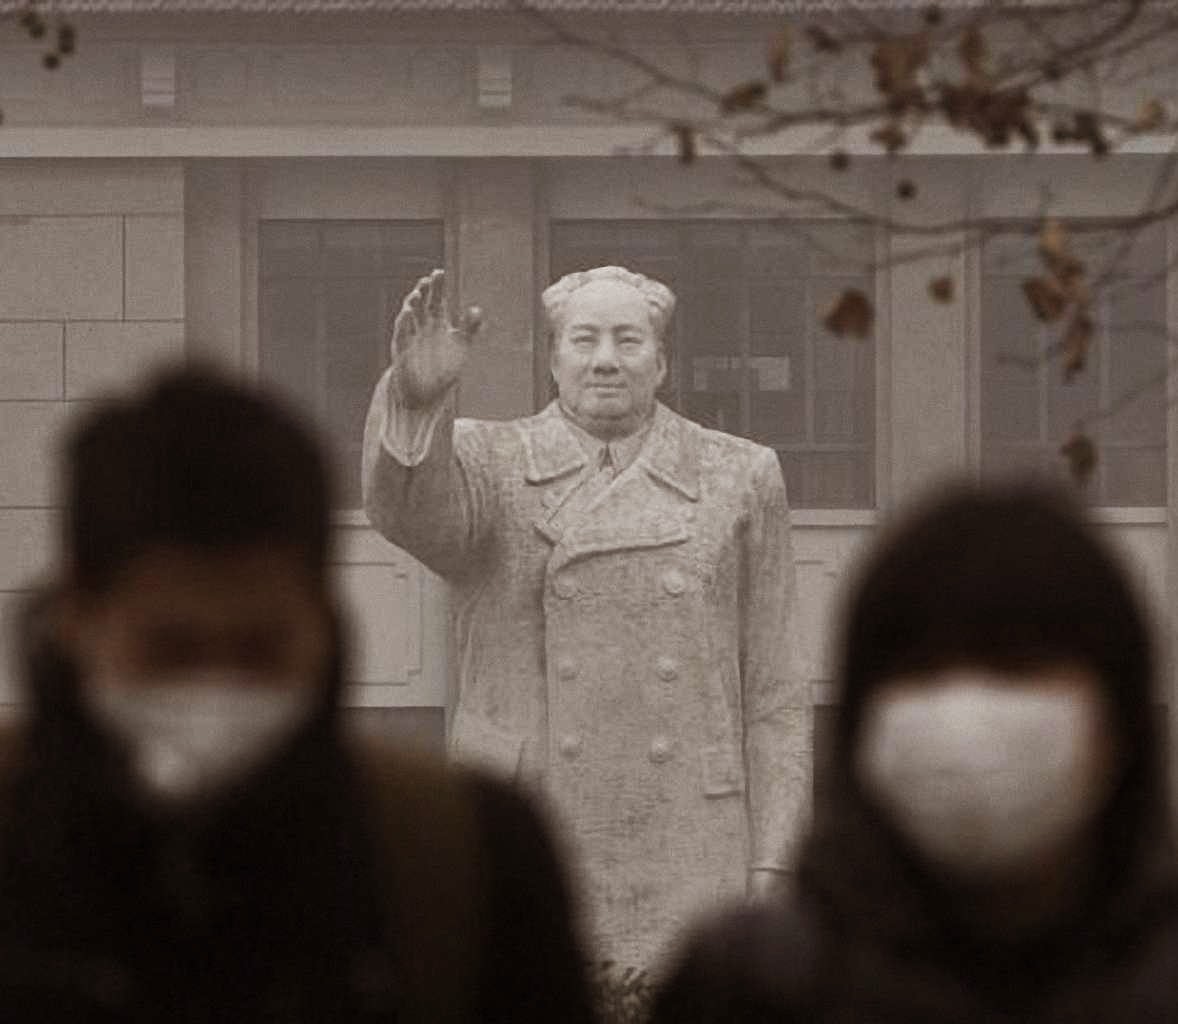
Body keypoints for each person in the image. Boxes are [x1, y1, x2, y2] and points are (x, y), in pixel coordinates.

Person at [0, 366, 594, 1024]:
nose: (216, 689)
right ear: (76, 618)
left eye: (260, 649)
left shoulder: (463, 864)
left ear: (325, 622)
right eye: (171, 651)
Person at [361, 266, 809, 972]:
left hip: (688, 833)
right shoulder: (486, 460)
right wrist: (417, 400)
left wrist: (775, 861)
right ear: (553, 358)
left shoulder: (740, 475)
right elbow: (408, 516)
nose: (605, 359)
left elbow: (776, 694)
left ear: (660, 362)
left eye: (628, 340)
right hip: (524, 827)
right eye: (585, 339)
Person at [651, 482, 1178, 1023]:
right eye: (926, 670)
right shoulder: (745, 990)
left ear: (1119, 720)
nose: (969, 709)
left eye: (1019, 666)